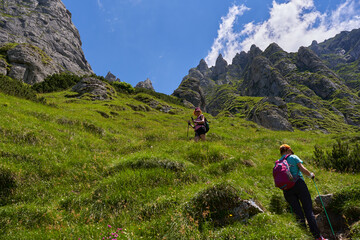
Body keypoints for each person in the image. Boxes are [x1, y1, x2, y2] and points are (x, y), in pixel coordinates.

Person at [278, 144, 327, 240]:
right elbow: (303, 169)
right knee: (308, 210)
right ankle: (317, 237)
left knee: (297, 213)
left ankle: (304, 236)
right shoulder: (293, 157)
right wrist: (311, 175)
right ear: (288, 150)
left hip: (287, 189)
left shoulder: (279, 162)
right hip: (299, 185)